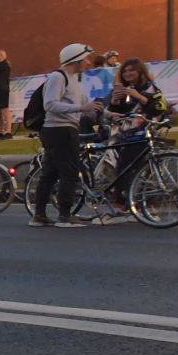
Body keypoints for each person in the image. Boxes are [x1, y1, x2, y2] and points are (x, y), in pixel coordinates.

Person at [29, 41, 102, 227]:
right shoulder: (58, 77)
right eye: (85, 59)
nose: (87, 63)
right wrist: (80, 107)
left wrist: (108, 114)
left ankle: (39, 215)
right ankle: (64, 215)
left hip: (62, 130)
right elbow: (50, 104)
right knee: (69, 172)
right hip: (59, 130)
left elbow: (88, 105)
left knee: (51, 173)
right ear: (75, 59)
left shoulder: (73, 80)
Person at [103, 58, 170, 210]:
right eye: (125, 71)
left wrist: (139, 96)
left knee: (142, 170)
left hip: (145, 134)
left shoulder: (151, 88)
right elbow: (118, 112)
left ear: (140, 72)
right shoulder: (123, 90)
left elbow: (159, 107)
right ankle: (124, 204)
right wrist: (114, 102)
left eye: (132, 70)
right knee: (122, 169)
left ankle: (139, 204)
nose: (128, 73)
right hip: (125, 135)